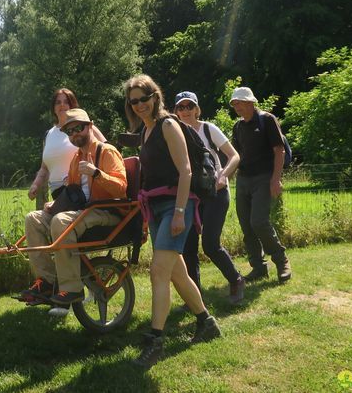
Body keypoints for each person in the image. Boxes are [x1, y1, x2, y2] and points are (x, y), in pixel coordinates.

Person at [124, 75, 221, 370]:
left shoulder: (168, 124)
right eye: (134, 101)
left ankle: (155, 340)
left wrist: (180, 212)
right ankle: (207, 322)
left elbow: (186, 171)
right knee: (177, 273)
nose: (140, 105)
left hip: (175, 207)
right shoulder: (146, 131)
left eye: (144, 98)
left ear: (156, 96)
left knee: (158, 272)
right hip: (155, 208)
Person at [20, 108, 127, 306]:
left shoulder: (106, 151)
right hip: (84, 212)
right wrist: (56, 203)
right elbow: (72, 189)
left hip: (108, 212)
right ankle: (48, 281)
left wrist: (97, 174)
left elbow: (121, 188)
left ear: (90, 126)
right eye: (69, 131)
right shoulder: (77, 158)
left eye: (78, 128)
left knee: (62, 221)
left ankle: (71, 289)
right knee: (33, 218)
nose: (74, 134)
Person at [174, 91, 245, 305]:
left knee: (210, 244)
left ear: (197, 109)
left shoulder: (208, 129)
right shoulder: (173, 134)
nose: (185, 111)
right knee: (187, 246)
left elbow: (234, 156)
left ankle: (236, 280)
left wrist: (223, 175)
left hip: (215, 192)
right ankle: (195, 298)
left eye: (189, 106)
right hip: (191, 195)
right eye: (181, 107)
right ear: (175, 111)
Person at [230, 87, 292, 283]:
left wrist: (275, 179)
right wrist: (225, 177)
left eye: (239, 102)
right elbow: (236, 156)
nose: (236, 106)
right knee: (247, 226)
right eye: (234, 103)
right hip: (243, 180)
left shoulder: (267, 120)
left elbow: (279, 151)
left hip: (264, 178)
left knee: (259, 222)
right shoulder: (238, 127)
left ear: (250, 102)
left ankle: (281, 261)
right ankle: (258, 267)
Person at [28, 88, 106, 201]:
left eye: (66, 102)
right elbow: (44, 169)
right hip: (57, 194)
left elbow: (106, 150)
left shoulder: (86, 127)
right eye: (58, 102)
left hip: (80, 191)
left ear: (72, 106)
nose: (62, 105)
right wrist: (35, 185)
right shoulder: (48, 134)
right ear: (53, 108)